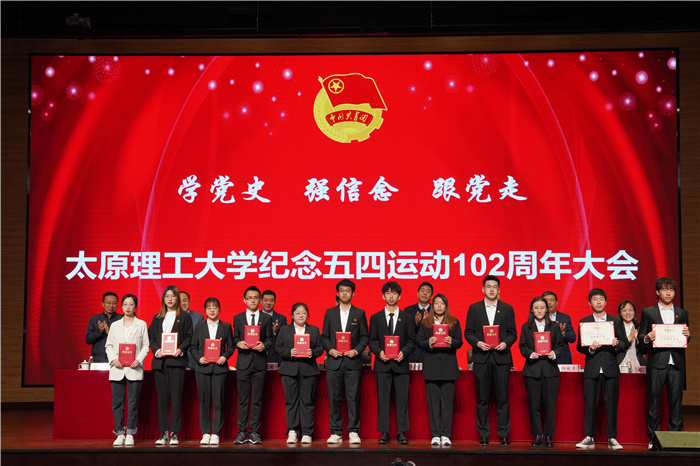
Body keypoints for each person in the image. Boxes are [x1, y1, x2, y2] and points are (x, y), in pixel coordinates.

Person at [464, 275, 517, 446]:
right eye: (488, 286)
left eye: (495, 286)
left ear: (499, 289)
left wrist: (505, 343)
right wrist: (477, 343)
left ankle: (503, 434)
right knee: (482, 399)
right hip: (481, 358)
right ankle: (483, 434)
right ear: (483, 289)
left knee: (503, 399)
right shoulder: (474, 308)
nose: (492, 289)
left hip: (502, 358)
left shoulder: (507, 308)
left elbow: (513, 333)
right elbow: (468, 332)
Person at [638, 277, 691, 449]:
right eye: (664, 289)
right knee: (654, 402)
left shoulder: (682, 313)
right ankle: (653, 438)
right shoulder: (648, 312)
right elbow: (641, 338)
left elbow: (684, 338)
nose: (668, 293)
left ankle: (676, 437)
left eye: (671, 290)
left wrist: (687, 335)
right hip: (656, 363)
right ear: (657, 291)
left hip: (676, 363)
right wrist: (647, 338)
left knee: (676, 402)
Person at [575, 288, 628, 451]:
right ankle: (589, 437)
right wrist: (590, 349)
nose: (598, 302)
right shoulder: (584, 322)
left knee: (611, 404)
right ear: (589, 302)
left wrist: (617, 344)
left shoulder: (615, 321)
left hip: (610, 368)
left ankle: (612, 437)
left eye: (601, 299)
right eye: (595, 299)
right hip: (592, 368)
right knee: (590, 404)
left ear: (606, 301)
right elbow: (579, 346)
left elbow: (625, 343)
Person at [321, 279, 369, 444]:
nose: (344, 293)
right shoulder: (330, 313)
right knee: (334, 398)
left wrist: (356, 351)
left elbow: (364, 337)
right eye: (341, 290)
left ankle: (354, 431)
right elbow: (324, 337)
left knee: (353, 398)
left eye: (348, 290)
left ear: (353, 293)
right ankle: (335, 432)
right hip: (334, 362)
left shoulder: (359, 313)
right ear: (337, 293)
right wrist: (330, 350)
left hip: (352, 362)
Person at [368, 281, 415, 445]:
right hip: (382, 364)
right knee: (383, 400)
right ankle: (384, 432)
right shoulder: (376, 317)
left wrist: (404, 352)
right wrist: (379, 352)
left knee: (402, 400)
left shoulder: (407, 318)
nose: (391, 296)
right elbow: (371, 341)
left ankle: (401, 432)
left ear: (399, 296)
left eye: (394, 293)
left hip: (401, 364)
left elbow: (411, 340)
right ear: (383, 296)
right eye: (388, 293)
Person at [148, 285, 193, 446]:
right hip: (160, 363)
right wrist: (156, 350)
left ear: (177, 298)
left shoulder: (185, 317)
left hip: (177, 362)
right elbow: (151, 337)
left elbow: (189, 337)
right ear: (163, 299)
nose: (170, 299)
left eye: (173, 296)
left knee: (176, 398)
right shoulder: (157, 317)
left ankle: (174, 432)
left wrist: (181, 349)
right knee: (162, 399)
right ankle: (163, 433)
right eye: (167, 296)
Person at [416, 293, 463, 446]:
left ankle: (446, 435)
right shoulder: (425, 322)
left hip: (449, 367)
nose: (439, 306)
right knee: (433, 403)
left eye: (442, 303)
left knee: (447, 403)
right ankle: (435, 435)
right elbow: (419, 341)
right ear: (433, 305)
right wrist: (429, 342)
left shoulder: (454, 322)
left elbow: (460, 342)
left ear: (446, 306)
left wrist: (452, 341)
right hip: (432, 368)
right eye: (436, 303)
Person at [276, 302, 325, 444]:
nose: (301, 315)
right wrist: (289, 352)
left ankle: (307, 432)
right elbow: (278, 348)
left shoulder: (314, 330)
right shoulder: (284, 330)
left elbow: (320, 348)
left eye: (304, 313)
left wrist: (313, 352)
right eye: (297, 313)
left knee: (307, 401)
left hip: (308, 369)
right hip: (289, 369)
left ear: (307, 315)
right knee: (291, 401)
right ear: (292, 315)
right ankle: (292, 431)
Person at [105, 294, 149, 446]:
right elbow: (109, 345)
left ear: (135, 306)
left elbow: (145, 346)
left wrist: (139, 360)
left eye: (131, 304)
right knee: (117, 403)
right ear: (121, 306)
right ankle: (119, 433)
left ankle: (130, 432)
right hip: (117, 368)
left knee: (133, 402)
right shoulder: (115, 325)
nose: (128, 307)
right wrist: (113, 359)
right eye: (125, 304)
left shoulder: (141, 324)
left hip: (134, 369)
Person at [519, 296, 563, 448]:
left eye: (542, 308)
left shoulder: (555, 326)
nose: (539, 311)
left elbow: (560, 346)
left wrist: (554, 353)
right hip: (532, 370)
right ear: (532, 310)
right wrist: (530, 354)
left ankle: (549, 435)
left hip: (550, 370)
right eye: (536, 308)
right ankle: (537, 435)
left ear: (547, 310)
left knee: (550, 405)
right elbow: (522, 346)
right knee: (534, 405)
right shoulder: (526, 327)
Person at [191, 297, 234, 446]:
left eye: (215, 307)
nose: (212, 310)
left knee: (218, 401)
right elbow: (193, 347)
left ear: (219, 309)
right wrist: (199, 358)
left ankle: (215, 433)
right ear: (204, 310)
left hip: (220, 369)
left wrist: (224, 356)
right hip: (202, 369)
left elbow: (231, 346)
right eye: (209, 308)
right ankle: (205, 433)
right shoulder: (199, 327)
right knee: (204, 402)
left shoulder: (226, 326)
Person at [232, 285, 272, 445]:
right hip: (243, 362)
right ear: (244, 300)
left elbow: (270, 339)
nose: (253, 300)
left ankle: (254, 432)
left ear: (260, 300)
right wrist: (238, 343)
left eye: (256, 298)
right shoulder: (238, 318)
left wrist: (264, 345)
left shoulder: (266, 318)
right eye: (250, 298)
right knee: (243, 399)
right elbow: (234, 338)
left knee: (257, 399)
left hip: (259, 362)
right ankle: (242, 432)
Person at [85, 292, 123, 362]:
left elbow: (125, 340)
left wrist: (110, 333)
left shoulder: (121, 319)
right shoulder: (94, 319)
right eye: (108, 303)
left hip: (116, 359)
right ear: (103, 304)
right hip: (98, 360)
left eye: (114, 303)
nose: (111, 305)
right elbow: (88, 340)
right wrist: (99, 331)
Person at [542, 291, 576, 364]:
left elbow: (572, 338)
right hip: (543, 358)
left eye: (551, 300)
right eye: (546, 300)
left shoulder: (565, 318)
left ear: (556, 303)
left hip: (562, 358)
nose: (549, 303)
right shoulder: (539, 319)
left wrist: (563, 333)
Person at [404, 282, 433, 363]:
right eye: (422, 290)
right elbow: (404, 332)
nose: (425, 293)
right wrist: (415, 323)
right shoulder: (408, 311)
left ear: (431, 296)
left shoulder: (435, 311)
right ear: (417, 294)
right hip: (412, 353)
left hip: (430, 354)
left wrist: (427, 324)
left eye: (428, 291)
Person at [616, 300, 646, 372]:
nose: (628, 313)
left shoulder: (639, 327)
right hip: (620, 362)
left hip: (638, 363)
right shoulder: (615, 328)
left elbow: (644, 350)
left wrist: (639, 341)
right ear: (620, 313)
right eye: (624, 310)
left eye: (630, 310)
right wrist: (629, 339)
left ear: (634, 312)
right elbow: (615, 348)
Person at [261, 290, 288, 364]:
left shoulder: (281, 318)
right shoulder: (255, 317)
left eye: (271, 300)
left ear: (275, 302)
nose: (268, 303)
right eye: (266, 300)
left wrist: (276, 331)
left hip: (275, 357)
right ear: (261, 301)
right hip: (259, 356)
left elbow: (285, 339)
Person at [180, 290, 204, 370]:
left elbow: (201, 339)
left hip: (193, 358)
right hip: (178, 358)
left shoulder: (199, 317)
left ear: (189, 302)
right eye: (179, 301)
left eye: (184, 300)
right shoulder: (172, 317)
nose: (182, 304)